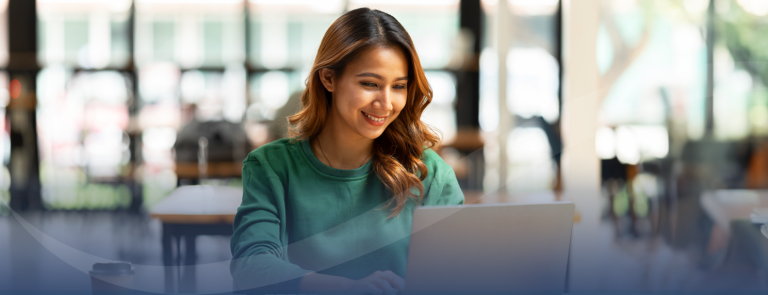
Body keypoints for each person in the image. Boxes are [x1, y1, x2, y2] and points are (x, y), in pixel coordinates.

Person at [230, 7, 464, 294]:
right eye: (369, 84)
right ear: (329, 79)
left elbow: (453, 277)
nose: (386, 103)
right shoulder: (271, 166)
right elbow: (251, 265)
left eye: (399, 86)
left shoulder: (429, 174)